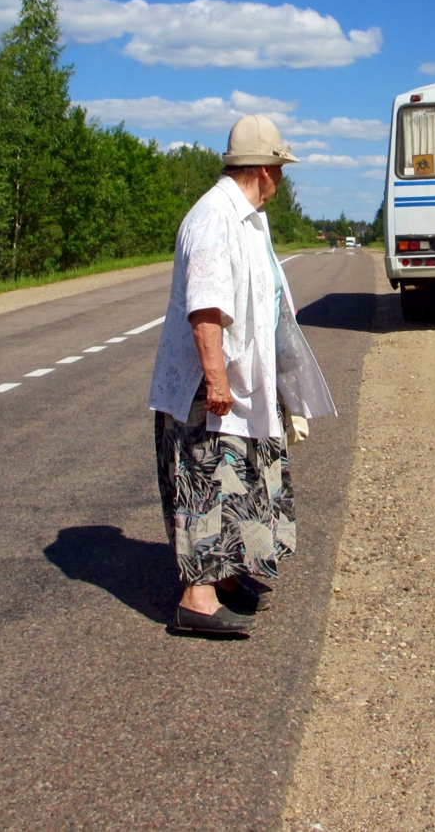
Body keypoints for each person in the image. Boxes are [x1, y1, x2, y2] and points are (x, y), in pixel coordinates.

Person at [148, 114, 303, 635]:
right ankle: (197, 595)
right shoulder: (215, 218)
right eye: (278, 171)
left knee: (236, 480)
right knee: (203, 481)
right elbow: (206, 310)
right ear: (260, 170)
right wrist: (216, 383)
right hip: (206, 388)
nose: (280, 183)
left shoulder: (246, 217)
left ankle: (227, 573)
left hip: (236, 381)